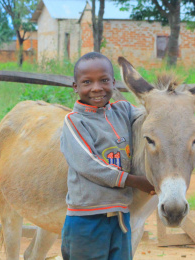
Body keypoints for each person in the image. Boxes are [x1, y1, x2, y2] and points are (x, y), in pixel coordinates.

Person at [60, 52, 155, 260]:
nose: (96, 88)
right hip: (87, 220)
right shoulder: (75, 122)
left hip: (120, 218)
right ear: (75, 87)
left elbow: (151, 117)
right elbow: (88, 165)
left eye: (103, 80)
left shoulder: (123, 111)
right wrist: (136, 181)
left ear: (113, 82)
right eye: (87, 82)